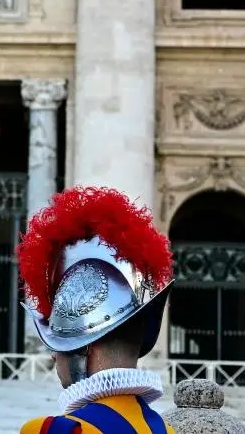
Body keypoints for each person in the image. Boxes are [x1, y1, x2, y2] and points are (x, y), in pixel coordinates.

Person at [16, 186, 175, 434]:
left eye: (59, 346)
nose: (53, 357)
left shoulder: (57, 430)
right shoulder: (166, 430)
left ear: (83, 351)